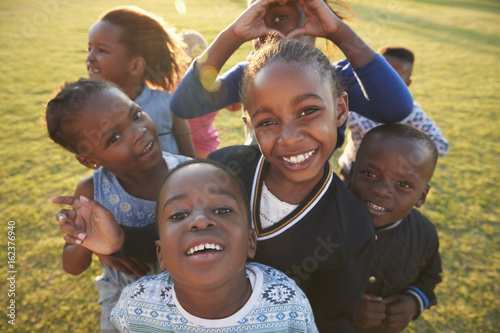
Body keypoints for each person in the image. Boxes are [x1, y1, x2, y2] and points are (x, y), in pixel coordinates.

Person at [54, 39, 375, 332]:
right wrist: (120, 240)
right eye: (267, 121)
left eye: (308, 111)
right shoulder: (225, 168)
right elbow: (176, 234)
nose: (289, 137)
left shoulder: (351, 227)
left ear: (340, 110)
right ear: (250, 123)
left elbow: (333, 317)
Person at [46, 79, 189, 332]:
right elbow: (72, 266)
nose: (138, 132)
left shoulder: (189, 174)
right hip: (123, 305)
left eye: (135, 114)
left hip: (189, 297)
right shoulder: (92, 192)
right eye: (113, 137)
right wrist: (85, 241)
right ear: (89, 160)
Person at [108, 159, 319, 332]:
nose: (200, 220)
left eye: (222, 210)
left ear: (250, 242)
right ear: (161, 253)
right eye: (179, 214)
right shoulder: (135, 306)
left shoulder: (288, 305)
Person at [170, 0, 413, 148]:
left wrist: (338, 31)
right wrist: (233, 34)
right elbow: (185, 106)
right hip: (255, 188)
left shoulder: (336, 78)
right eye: (267, 12)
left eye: (293, 13)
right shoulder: (249, 76)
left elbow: (396, 108)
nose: (280, 25)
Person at [348, 124, 442, 332]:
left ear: (422, 196)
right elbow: (295, 280)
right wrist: (344, 308)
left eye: (404, 184)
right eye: (370, 174)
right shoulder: (323, 221)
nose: (381, 191)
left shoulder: (424, 234)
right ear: (352, 171)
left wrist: (413, 302)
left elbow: (430, 277)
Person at [86, 6, 195, 156]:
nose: (89, 57)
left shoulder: (168, 103)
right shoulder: (92, 110)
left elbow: (191, 159)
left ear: (136, 66)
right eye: (89, 48)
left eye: (102, 50)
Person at [338, 45, 450, 182]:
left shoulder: (413, 114)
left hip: (390, 183)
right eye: (380, 73)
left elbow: (441, 145)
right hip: (351, 173)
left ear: (407, 84)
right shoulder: (354, 102)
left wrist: (402, 159)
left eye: (394, 77)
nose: (384, 81)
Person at [180, 30, 222, 158]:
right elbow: (234, 107)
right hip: (206, 144)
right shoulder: (213, 82)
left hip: (180, 143)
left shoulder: (172, 83)